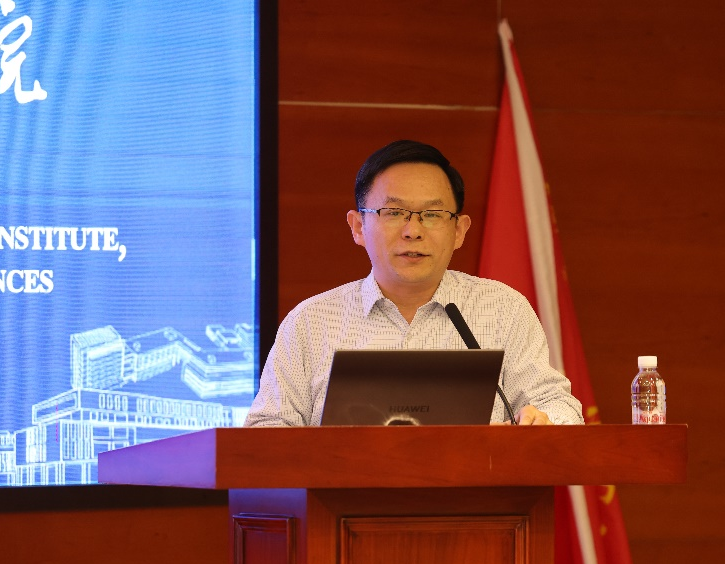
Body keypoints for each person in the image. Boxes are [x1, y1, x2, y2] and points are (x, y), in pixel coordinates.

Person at [244, 140, 582, 427]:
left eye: (432, 214)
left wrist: (541, 420)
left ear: (459, 230)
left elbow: (559, 406)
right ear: (358, 226)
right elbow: (265, 431)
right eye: (393, 212)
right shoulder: (310, 322)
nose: (413, 231)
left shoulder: (503, 309)